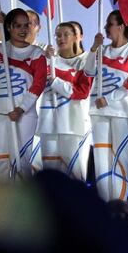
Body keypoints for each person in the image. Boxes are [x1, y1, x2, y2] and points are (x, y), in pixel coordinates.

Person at [0, 8, 47, 181]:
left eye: (26, 26)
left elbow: (38, 84)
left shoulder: (36, 53)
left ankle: (22, 207)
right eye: (17, 26)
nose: (23, 30)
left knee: (21, 164)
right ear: (8, 27)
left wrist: (21, 109)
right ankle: (2, 206)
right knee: (0, 164)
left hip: (23, 115)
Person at [87, 10, 128, 201]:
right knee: (102, 162)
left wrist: (109, 98)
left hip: (123, 113)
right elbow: (88, 72)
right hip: (99, 112)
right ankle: (105, 205)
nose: (105, 28)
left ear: (121, 27)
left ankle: (119, 205)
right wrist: (95, 48)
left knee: (120, 160)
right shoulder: (102, 51)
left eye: (109, 24)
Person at [38, 20, 92, 180]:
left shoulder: (86, 61)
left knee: (75, 173)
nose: (61, 38)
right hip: (49, 124)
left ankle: (78, 205)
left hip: (73, 125)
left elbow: (82, 91)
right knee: (50, 174)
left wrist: (56, 83)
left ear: (78, 37)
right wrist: (44, 60)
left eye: (66, 34)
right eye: (58, 35)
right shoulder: (48, 60)